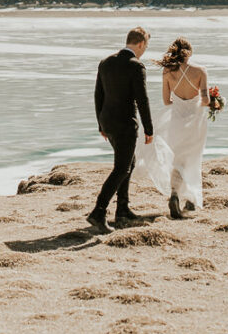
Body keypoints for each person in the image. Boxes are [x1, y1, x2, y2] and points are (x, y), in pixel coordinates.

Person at [88, 27, 153, 234]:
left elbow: (98, 95)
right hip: (125, 123)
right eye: (146, 46)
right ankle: (99, 211)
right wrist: (149, 128)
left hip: (108, 122)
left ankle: (122, 208)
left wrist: (100, 124)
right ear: (141, 44)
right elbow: (142, 100)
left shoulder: (105, 62)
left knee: (128, 163)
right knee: (122, 168)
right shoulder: (136, 66)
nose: (145, 50)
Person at [154, 37, 210, 219]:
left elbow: (166, 101)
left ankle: (175, 194)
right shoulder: (200, 71)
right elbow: (206, 100)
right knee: (193, 159)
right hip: (194, 123)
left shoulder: (167, 72)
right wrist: (214, 104)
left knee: (177, 160)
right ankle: (191, 199)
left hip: (176, 122)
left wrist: (180, 103)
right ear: (190, 52)